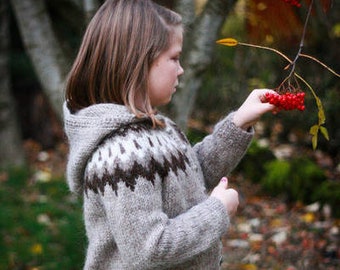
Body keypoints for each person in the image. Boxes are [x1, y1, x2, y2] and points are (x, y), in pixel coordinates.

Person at [63, 0, 276, 269]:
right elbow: (150, 250)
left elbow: (188, 177)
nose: (181, 69)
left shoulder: (154, 128)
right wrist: (217, 211)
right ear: (136, 61)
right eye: (174, 58)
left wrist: (238, 123)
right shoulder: (120, 154)